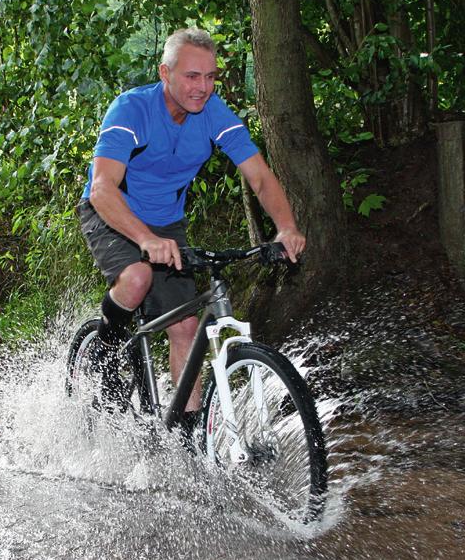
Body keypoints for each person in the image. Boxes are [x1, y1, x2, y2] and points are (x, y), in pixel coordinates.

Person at [77, 27, 305, 430]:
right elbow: (102, 189)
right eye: (192, 76)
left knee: (184, 325)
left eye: (211, 76)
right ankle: (107, 349)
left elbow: (261, 178)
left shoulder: (215, 113)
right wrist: (145, 239)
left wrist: (286, 227)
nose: (203, 87)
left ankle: (185, 436)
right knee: (136, 277)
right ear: (165, 73)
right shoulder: (132, 109)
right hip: (113, 209)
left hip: (167, 221)